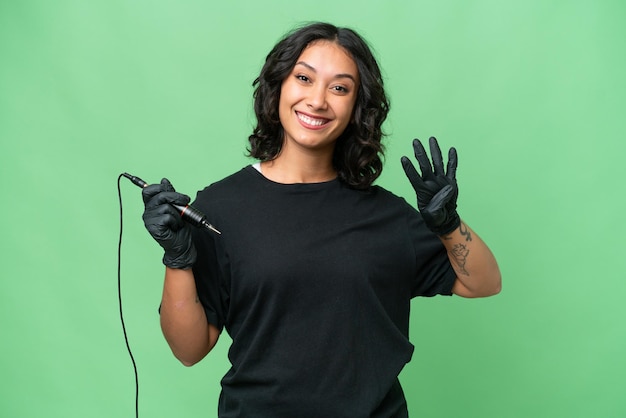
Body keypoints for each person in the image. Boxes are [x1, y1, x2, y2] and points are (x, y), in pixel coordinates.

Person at [141, 22, 501, 418]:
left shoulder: (387, 215)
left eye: (340, 87)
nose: (317, 100)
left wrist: (448, 224)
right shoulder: (220, 207)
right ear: (278, 86)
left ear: (356, 108)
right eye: (304, 78)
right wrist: (177, 259)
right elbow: (189, 350)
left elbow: (483, 282)